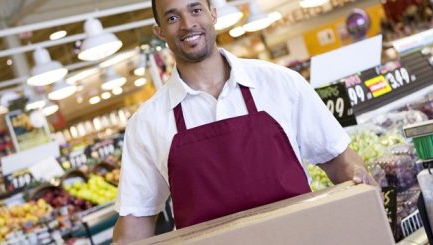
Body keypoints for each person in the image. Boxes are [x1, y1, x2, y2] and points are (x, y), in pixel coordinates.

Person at [112, 0, 376, 244]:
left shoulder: (280, 83)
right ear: (160, 32)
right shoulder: (146, 123)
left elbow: (338, 160)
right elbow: (137, 220)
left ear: (212, 13)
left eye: (195, 10)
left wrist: (358, 179)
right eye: (172, 18)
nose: (187, 24)